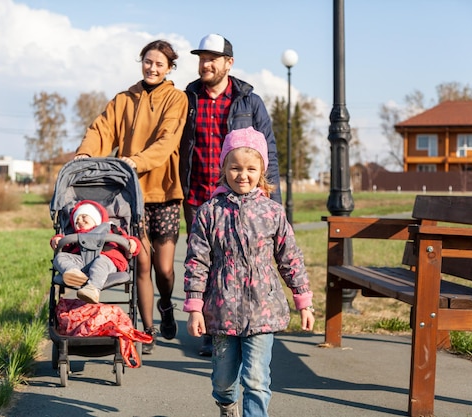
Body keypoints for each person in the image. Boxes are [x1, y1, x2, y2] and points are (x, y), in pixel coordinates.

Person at [183, 127, 314, 417]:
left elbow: (290, 258)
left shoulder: (272, 212)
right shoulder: (209, 212)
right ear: (224, 169)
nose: (243, 175)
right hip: (221, 309)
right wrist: (195, 308)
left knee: (256, 379)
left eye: (251, 169)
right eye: (235, 168)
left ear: (262, 172)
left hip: (262, 310)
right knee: (223, 380)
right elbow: (197, 261)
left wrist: (303, 300)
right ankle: (227, 403)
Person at [74, 40, 188, 353]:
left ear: (169, 68)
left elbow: (167, 140)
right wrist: (85, 153)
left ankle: (166, 303)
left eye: (159, 64)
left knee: (164, 269)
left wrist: (136, 161)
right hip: (129, 194)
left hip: (163, 191)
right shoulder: (124, 99)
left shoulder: (176, 99)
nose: (152, 68)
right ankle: (147, 329)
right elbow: (102, 129)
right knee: (141, 263)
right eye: (148, 62)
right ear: (142, 62)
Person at [180, 33, 283, 357]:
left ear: (229, 63)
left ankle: (249, 326)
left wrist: (269, 196)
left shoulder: (248, 101)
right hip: (198, 193)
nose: (205, 64)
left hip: (243, 195)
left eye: (212, 58)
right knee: (206, 261)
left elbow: (270, 148)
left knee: (241, 260)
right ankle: (214, 330)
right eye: (201, 58)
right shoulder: (189, 98)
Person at [50, 200, 142, 304]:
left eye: (84, 217)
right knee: (59, 257)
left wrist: (132, 243)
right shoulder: (76, 234)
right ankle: (73, 272)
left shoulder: (110, 228)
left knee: (100, 262)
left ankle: (92, 288)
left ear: (95, 218)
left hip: (108, 260)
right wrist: (58, 239)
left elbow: (126, 239)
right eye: (76, 221)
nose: (80, 221)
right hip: (82, 263)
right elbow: (65, 244)